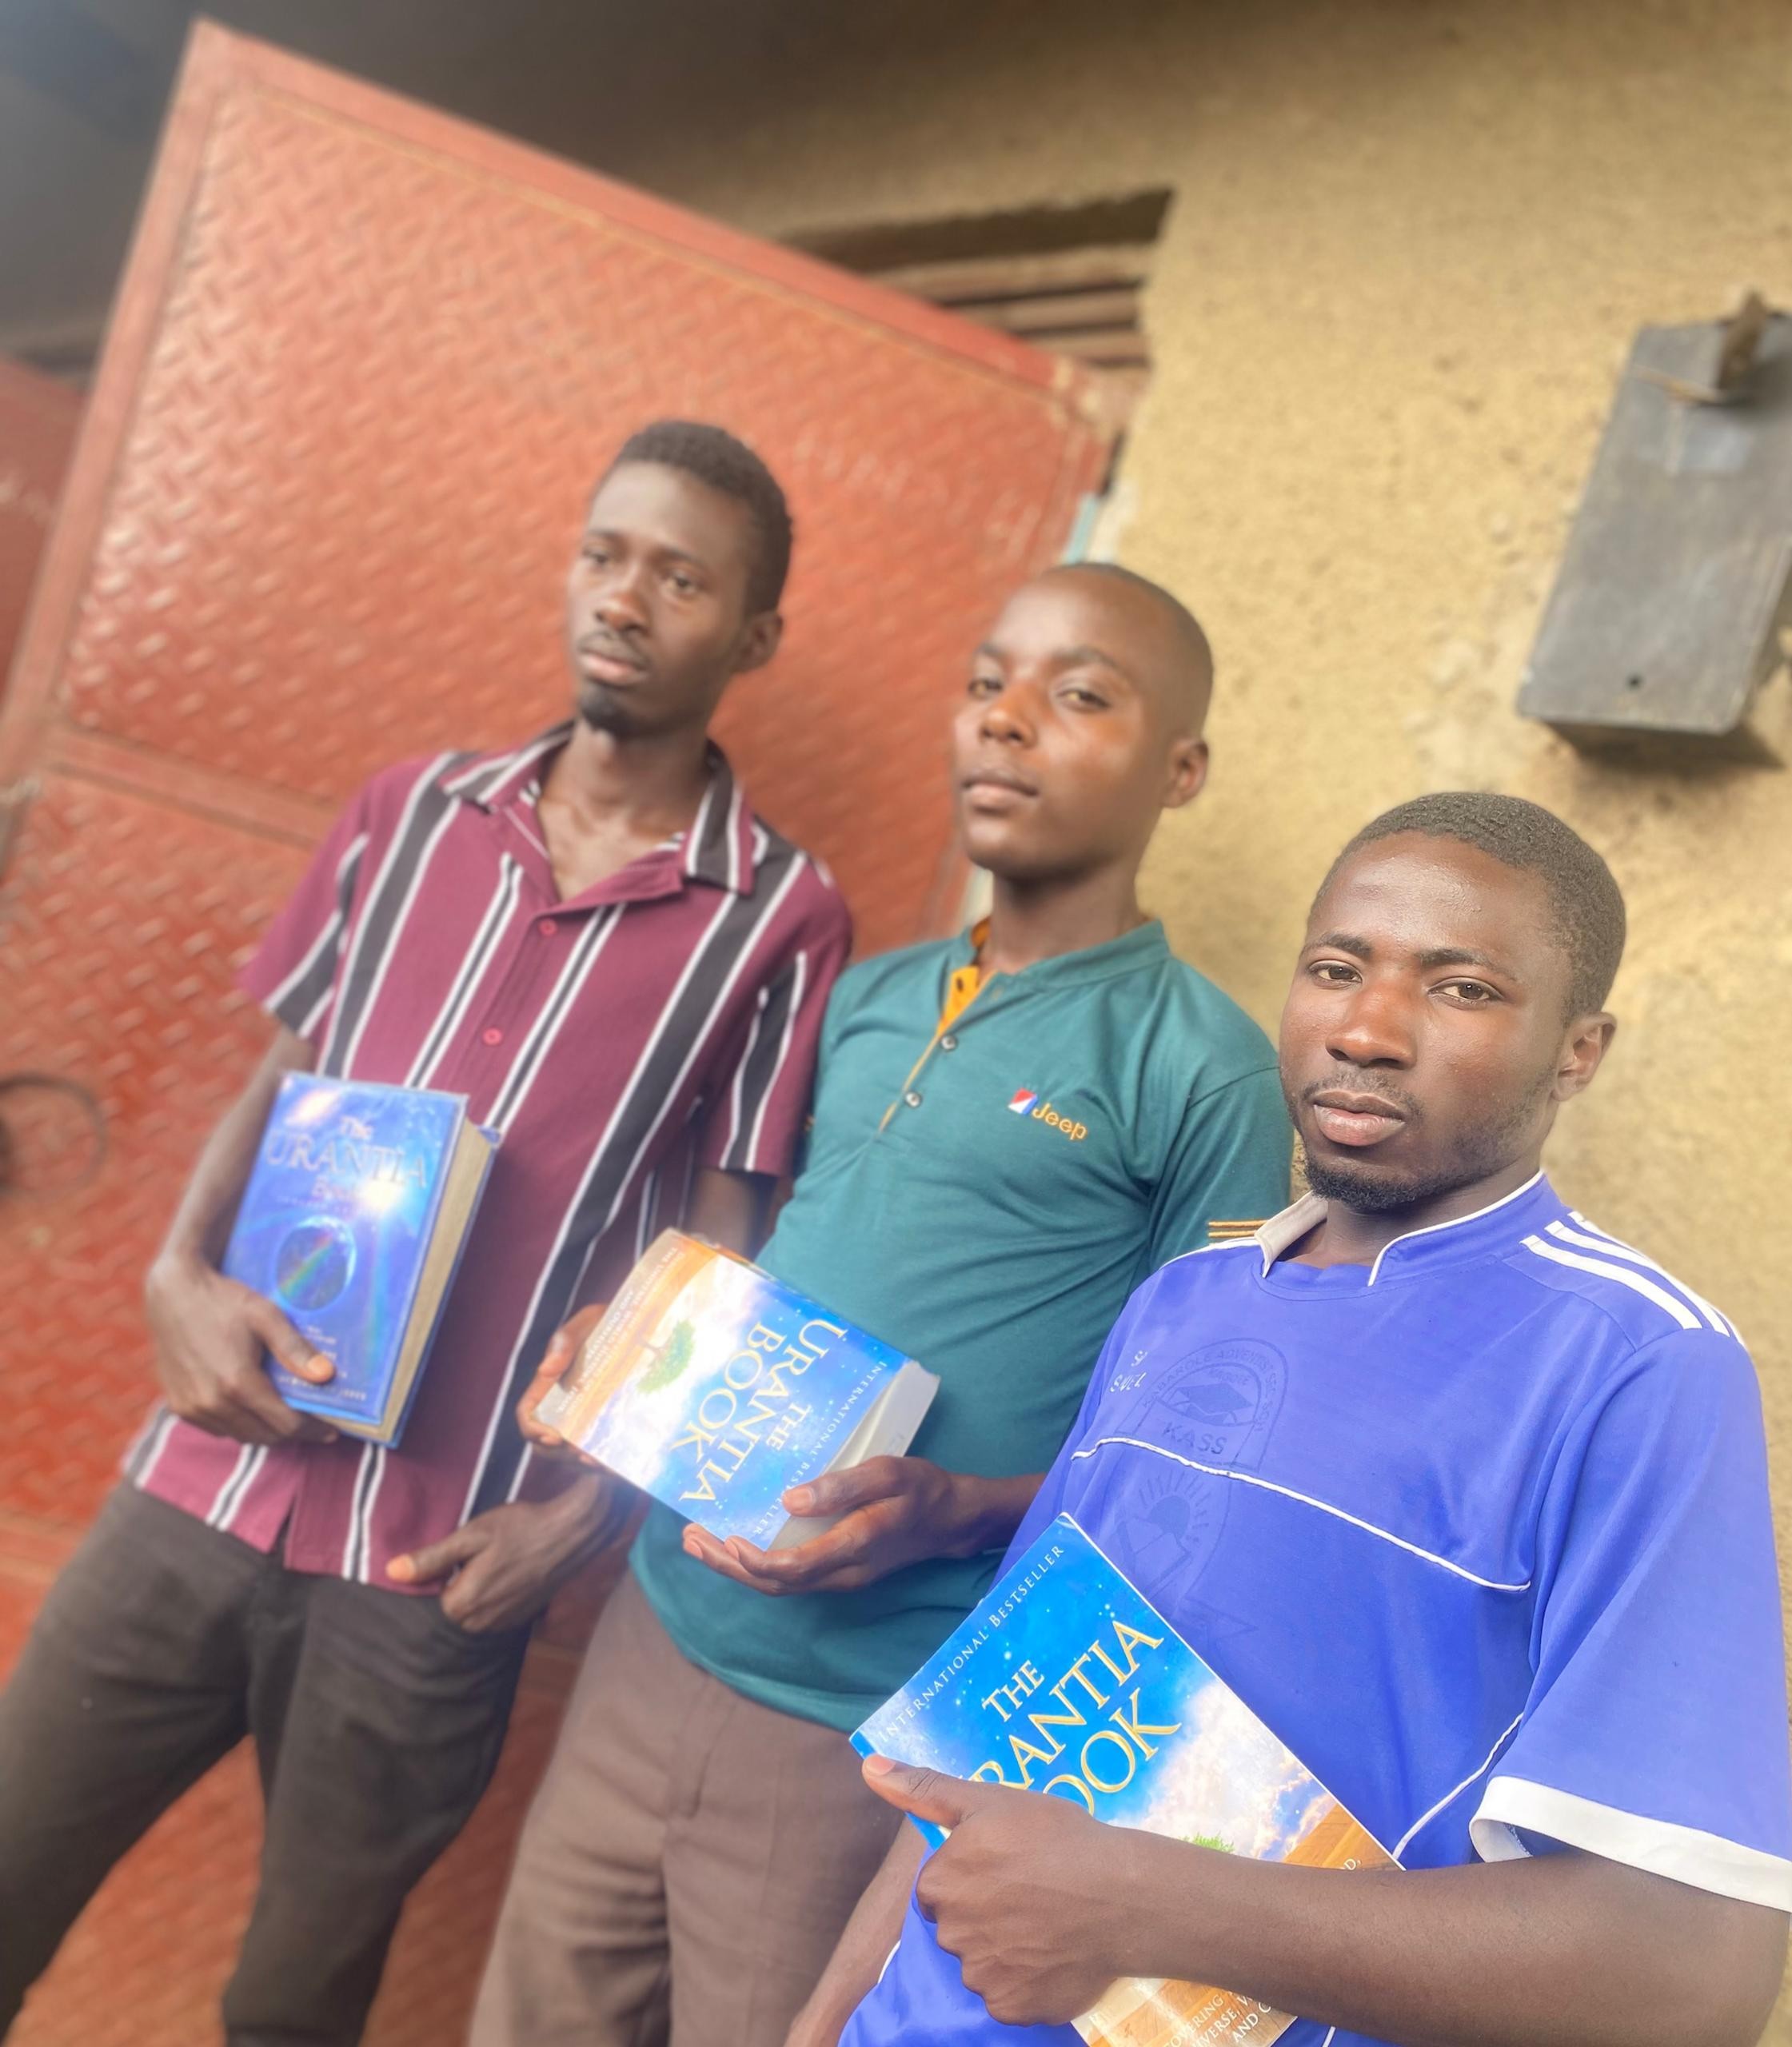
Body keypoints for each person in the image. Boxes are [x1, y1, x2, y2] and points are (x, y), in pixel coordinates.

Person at [0, 421, 850, 2045]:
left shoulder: (780, 917)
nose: (624, 599)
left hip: (437, 1560)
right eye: (603, 555)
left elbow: (723, 1246)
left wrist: (584, 1516)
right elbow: (288, 1064)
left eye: (680, 579)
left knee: (291, 2000)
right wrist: (176, 1271)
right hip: (206, 1481)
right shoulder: (409, 810)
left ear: (751, 638)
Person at [813, 791, 1791, 2047]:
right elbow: (981, 1740)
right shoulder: (1182, 1301)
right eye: (1335, 968)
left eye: (1461, 989)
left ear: (1576, 1051)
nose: (1366, 1030)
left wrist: (1147, 1908)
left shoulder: (1633, 1363)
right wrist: (823, 2020)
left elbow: (1693, 1974)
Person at [471, 562, 1294, 2047]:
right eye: (985, 684)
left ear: (1181, 770)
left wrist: (961, 1512)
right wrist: (634, 1349)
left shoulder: (1199, 1069)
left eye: (1078, 696)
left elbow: (1193, 1458)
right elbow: (788, 1269)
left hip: (865, 1719)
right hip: (655, 1630)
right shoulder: (871, 993)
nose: (1006, 721)